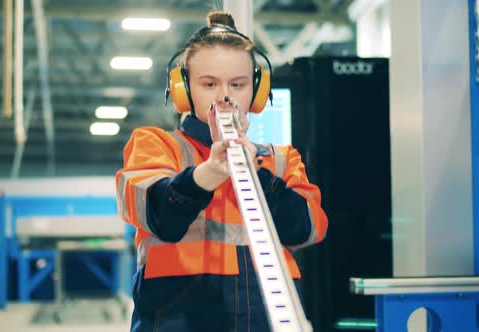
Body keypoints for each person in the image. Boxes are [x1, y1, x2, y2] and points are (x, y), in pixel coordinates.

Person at [116, 10, 328, 332]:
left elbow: (308, 228)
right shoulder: (156, 145)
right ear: (183, 91)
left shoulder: (280, 160)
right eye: (209, 83)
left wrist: (257, 174)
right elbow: (160, 216)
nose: (224, 95)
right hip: (179, 322)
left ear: (256, 93)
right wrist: (210, 172)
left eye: (238, 84)